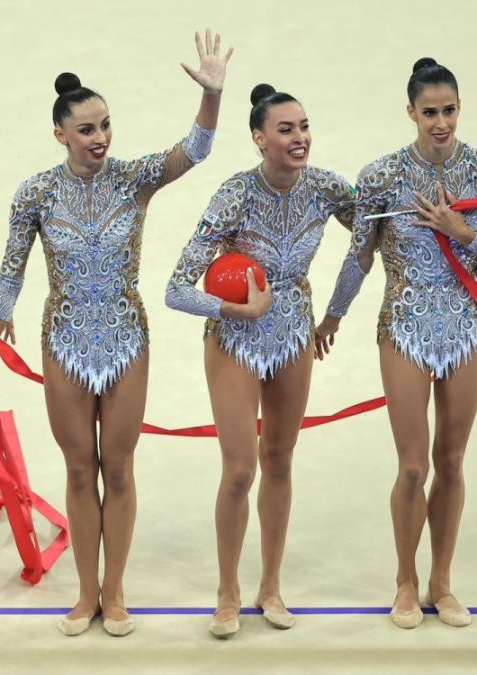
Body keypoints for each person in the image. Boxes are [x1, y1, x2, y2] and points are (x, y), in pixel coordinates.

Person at [0, 30, 231, 637]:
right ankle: (85, 593)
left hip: (125, 337)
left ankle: (115, 592)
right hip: (62, 339)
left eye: (106, 124)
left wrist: (212, 97)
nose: (101, 138)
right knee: (80, 469)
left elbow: (196, 150)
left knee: (120, 467)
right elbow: (9, 280)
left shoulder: (134, 178)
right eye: (87, 129)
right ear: (60, 134)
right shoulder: (34, 193)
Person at [314, 58, 477, 629]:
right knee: (413, 466)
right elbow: (359, 254)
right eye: (429, 112)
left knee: (452, 461)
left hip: (465, 326)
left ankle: (442, 583)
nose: (441, 122)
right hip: (405, 324)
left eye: (450, 111)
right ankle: (405, 582)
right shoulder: (381, 175)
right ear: (410, 112)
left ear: (460, 108)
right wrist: (333, 315)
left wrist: (466, 237)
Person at [165, 83, 354, 637]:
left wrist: (336, 313)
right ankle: (228, 591)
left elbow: (378, 233)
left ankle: (271, 586)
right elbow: (176, 288)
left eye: (304, 127)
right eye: (286, 130)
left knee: (281, 460)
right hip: (235, 339)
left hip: (295, 332)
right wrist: (232, 310)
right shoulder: (234, 195)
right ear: (258, 138)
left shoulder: (325, 188)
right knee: (240, 469)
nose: (300, 138)